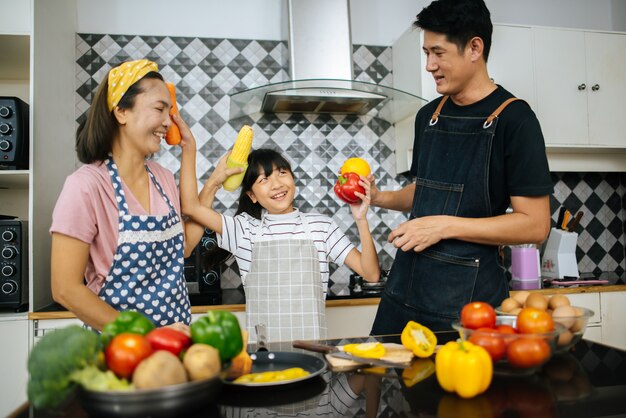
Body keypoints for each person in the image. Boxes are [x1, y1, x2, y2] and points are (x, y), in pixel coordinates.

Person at [369, 0, 553, 334]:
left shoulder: (516, 120)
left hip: (469, 301)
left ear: (474, 48)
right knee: (383, 384)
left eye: (438, 53)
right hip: (405, 288)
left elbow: (535, 226)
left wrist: (444, 227)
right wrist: (379, 197)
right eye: (426, 53)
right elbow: (424, 192)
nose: (429, 65)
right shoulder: (429, 116)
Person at [50, 59, 210, 331]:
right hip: (119, 355)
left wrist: (208, 172)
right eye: (160, 109)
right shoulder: (86, 186)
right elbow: (64, 288)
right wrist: (148, 338)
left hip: (173, 352)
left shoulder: (163, 178)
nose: (167, 122)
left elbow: (183, 248)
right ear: (122, 112)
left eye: (170, 112)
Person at [180, 143, 380, 342]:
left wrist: (361, 219)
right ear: (252, 195)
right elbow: (191, 207)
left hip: (314, 354)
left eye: (282, 173)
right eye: (264, 179)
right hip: (265, 356)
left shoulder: (322, 226)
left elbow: (370, 273)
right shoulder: (242, 229)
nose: (277, 184)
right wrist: (216, 180)